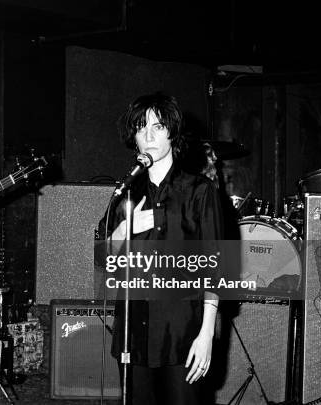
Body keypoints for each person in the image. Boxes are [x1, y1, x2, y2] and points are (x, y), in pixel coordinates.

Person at [98, 93, 223, 404]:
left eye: (158, 126)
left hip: (182, 332)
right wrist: (127, 228)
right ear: (134, 138)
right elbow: (104, 258)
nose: (149, 136)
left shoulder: (199, 191)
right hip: (133, 332)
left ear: (172, 132)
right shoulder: (126, 192)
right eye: (142, 128)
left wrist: (206, 334)